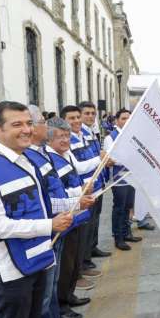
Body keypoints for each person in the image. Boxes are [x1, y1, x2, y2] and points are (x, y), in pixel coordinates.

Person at [0, 101, 73, 318]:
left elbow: (39, 205)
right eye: (17, 124)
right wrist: (49, 225)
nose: (26, 129)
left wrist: (71, 206)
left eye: (28, 123)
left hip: (34, 260)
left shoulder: (25, 159)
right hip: (7, 271)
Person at [25, 107, 91, 318]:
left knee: (50, 286)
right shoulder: (28, 157)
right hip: (47, 228)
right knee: (45, 289)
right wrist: (76, 201)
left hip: (60, 222)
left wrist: (76, 201)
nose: (43, 125)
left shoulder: (40, 153)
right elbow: (44, 200)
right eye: (42, 121)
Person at [62, 105, 103, 287]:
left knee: (90, 226)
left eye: (79, 117)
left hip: (91, 187)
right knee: (78, 234)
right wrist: (100, 159)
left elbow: (85, 161)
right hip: (78, 192)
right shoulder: (66, 141)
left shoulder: (85, 134)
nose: (78, 120)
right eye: (73, 118)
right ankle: (78, 271)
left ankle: (85, 260)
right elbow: (78, 167)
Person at [103, 109, 142, 251]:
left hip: (131, 176)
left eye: (129, 118)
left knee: (128, 205)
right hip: (118, 178)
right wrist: (128, 159)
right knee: (119, 207)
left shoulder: (131, 135)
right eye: (124, 118)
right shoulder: (110, 137)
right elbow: (110, 159)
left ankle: (127, 233)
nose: (126, 121)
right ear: (117, 120)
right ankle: (118, 237)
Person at [78, 102, 110, 263]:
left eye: (93, 113)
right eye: (87, 113)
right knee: (87, 223)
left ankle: (92, 247)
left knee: (95, 219)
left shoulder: (91, 132)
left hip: (98, 182)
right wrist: (100, 159)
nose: (90, 116)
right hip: (88, 185)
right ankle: (85, 258)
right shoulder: (78, 134)